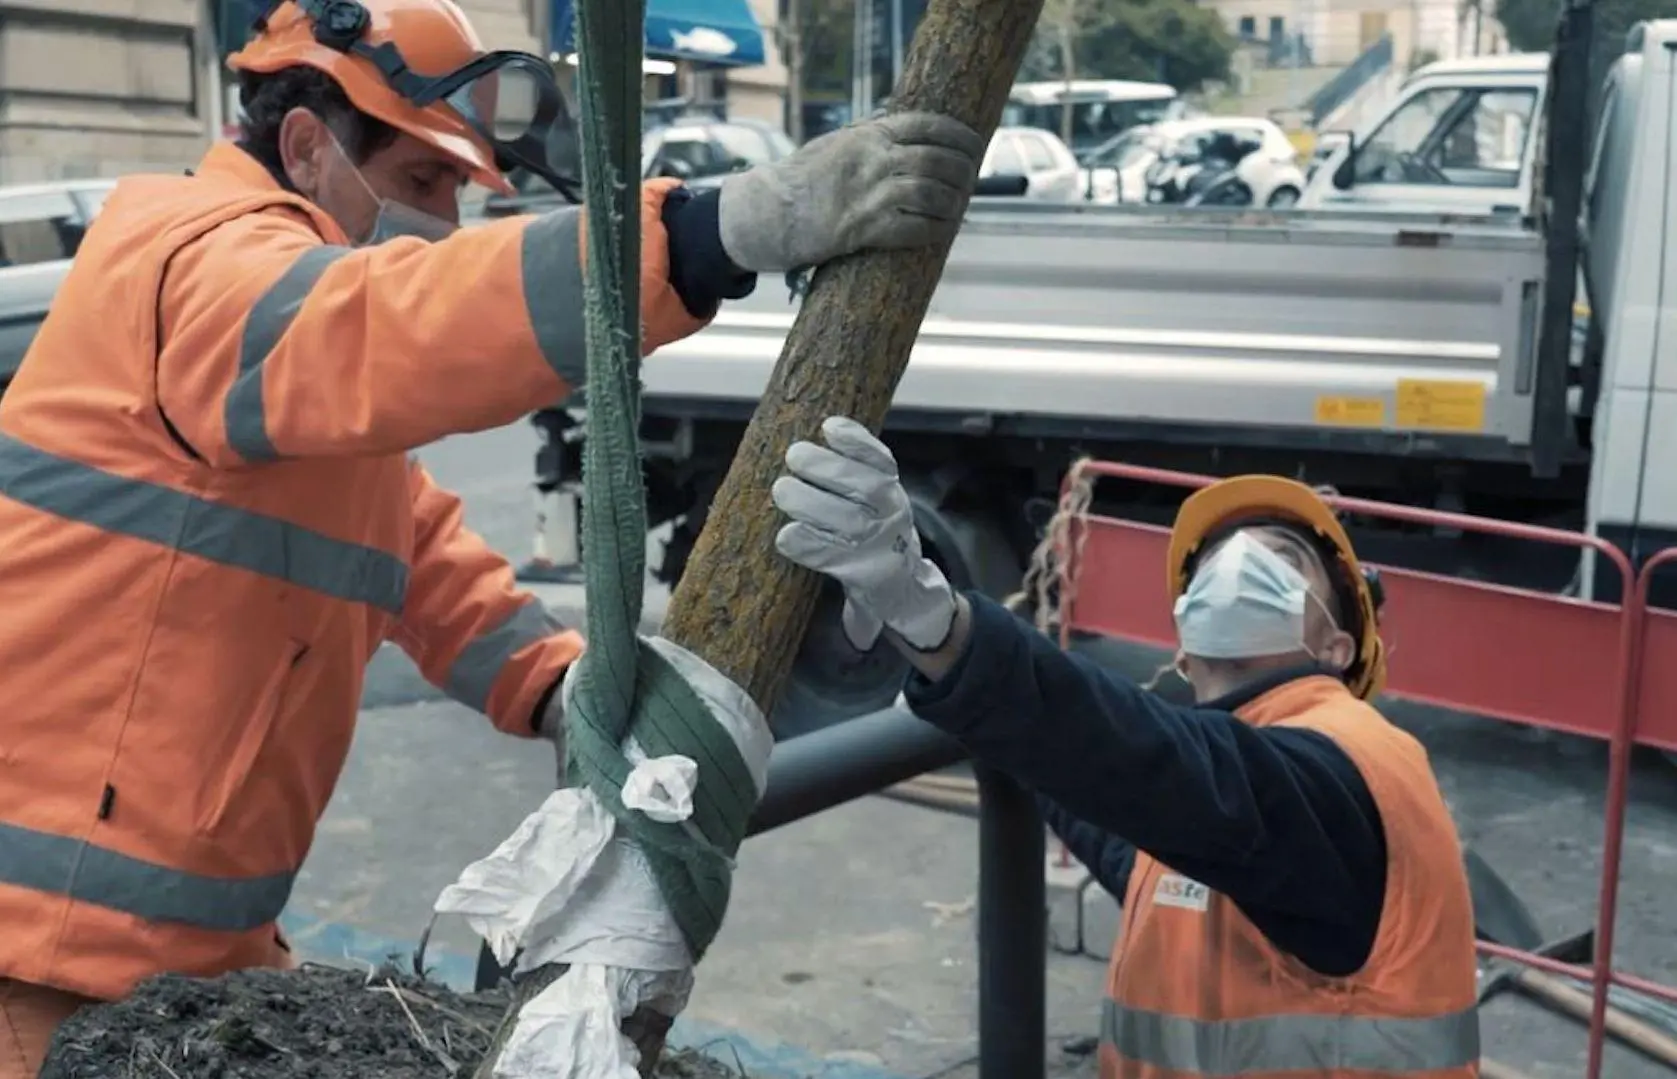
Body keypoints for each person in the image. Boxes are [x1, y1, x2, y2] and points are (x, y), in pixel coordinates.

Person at [0, 0, 985, 1068]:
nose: (444, 220)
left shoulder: (298, 382)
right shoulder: (193, 262)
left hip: (169, 952)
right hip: (39, 953)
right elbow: (391, 320)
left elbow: (413, 550)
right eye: (424, 182)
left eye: (461, 193)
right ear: (304, 145)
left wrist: (560, 684)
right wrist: (704, 235)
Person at [768, 416, 1481, 1079]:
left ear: (1336, 644)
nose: (1238, 565)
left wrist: (942, 627)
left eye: (1283, 556)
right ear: (1185, 639)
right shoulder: (1193, 817)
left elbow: (1165, 761)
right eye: (1215, 560)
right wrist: (956, 686)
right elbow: (1104, 779)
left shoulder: (1345, 765)